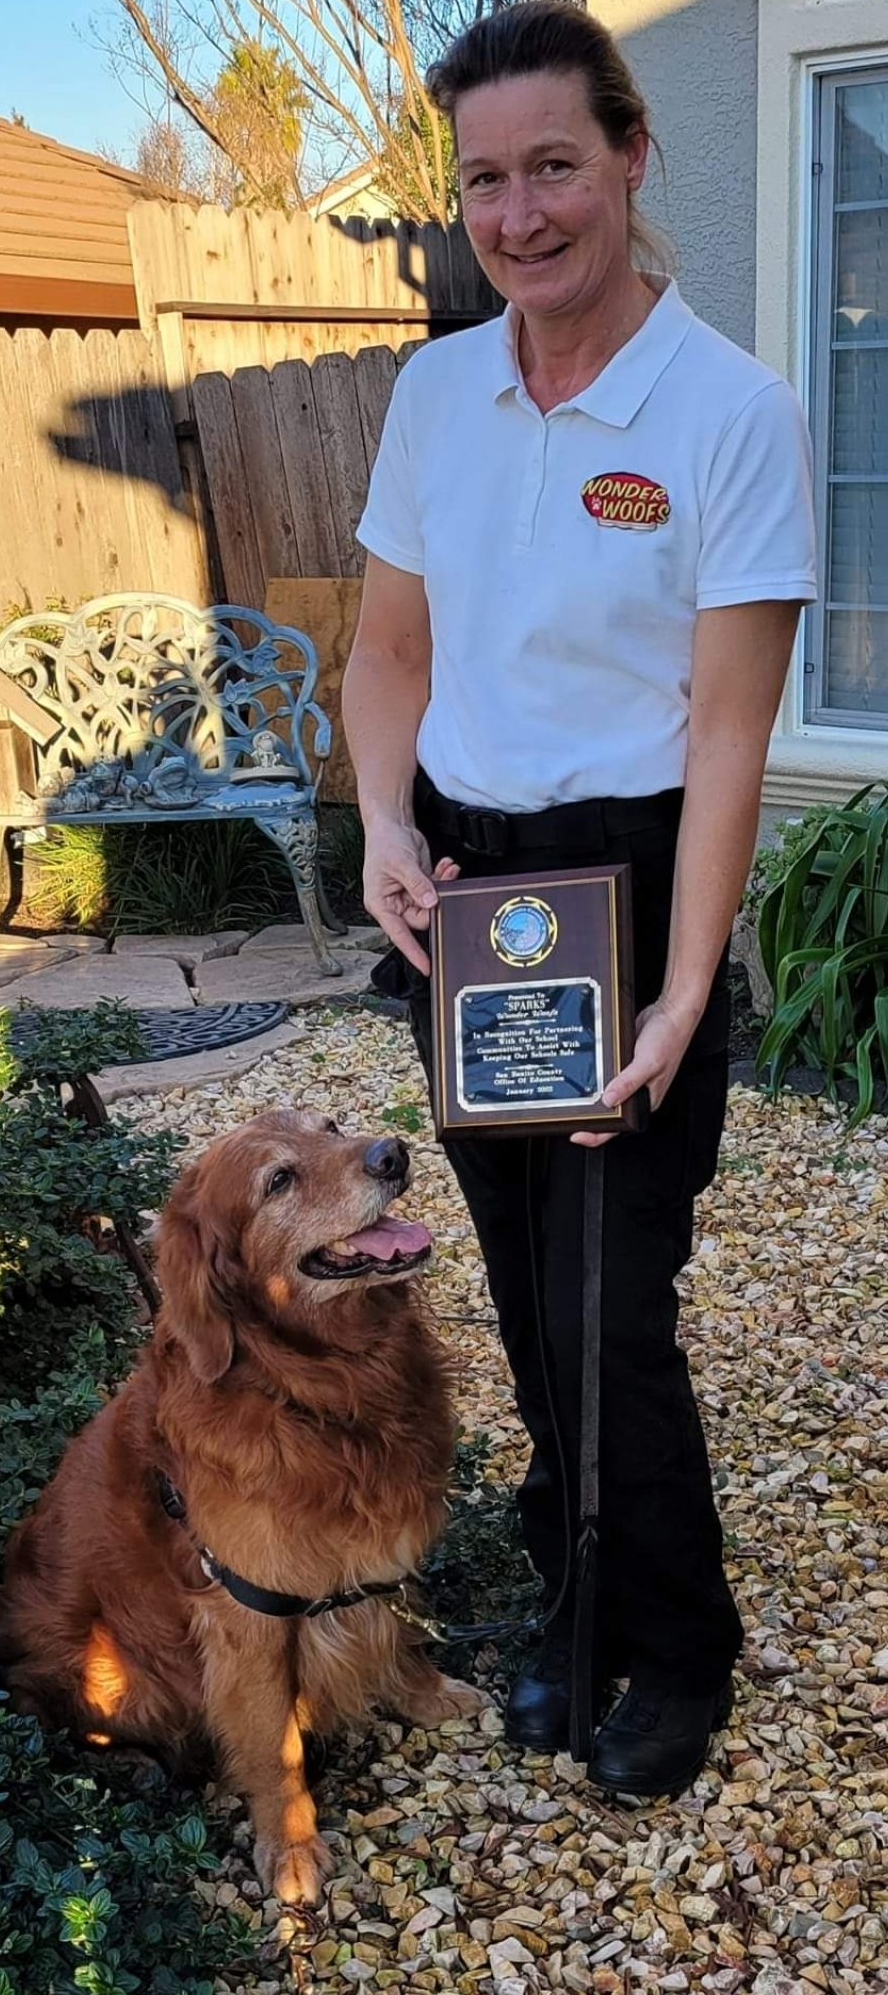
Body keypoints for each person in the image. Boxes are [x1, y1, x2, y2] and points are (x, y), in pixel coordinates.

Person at [342, 1, 816, 1797]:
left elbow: (725, 728)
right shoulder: (432, 393)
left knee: (619, 1293)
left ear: (630, 155)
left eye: (554, 165)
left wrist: (689, 988)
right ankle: (576, 1598)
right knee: (536, 1289)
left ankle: (676, 1647)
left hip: (634, 876)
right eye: (484, 178)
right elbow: (389, 653)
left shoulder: (727, 410)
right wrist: (386, 821)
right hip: (470, 887)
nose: (520, 214)